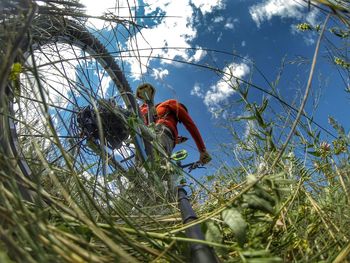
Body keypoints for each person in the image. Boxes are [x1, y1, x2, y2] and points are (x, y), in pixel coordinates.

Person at [136, 83, 211, 165]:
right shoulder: (172, 103)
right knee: (157, 164)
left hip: (152, 131)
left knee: (142, 162)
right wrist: (202, 150)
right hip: (164, 132)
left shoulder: (158, 110)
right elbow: (189, 124)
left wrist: (177, 140)